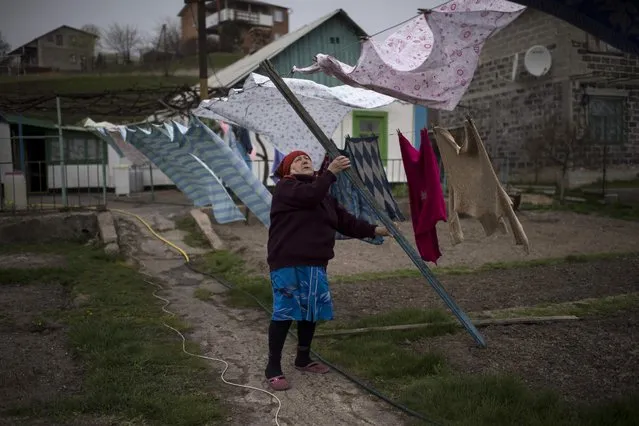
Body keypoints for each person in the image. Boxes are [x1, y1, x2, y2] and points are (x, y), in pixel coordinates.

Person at [265, 150, 391, 391]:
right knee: (285, 312)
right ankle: (273, 366)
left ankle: (303, 359)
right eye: (297, 161)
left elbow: (346, 222)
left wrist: (375, 230)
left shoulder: (324, 196)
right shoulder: (286, 189)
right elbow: (308, 196)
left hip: (316, 263)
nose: (304, 161)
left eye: (307, 160)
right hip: (287, 261)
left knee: (310, 311)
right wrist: (330, 173)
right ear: (288, 171)